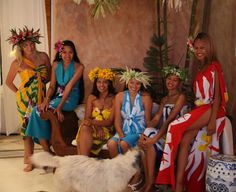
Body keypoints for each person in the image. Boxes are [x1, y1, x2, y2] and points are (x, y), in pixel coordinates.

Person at [156, 32, 228, 192]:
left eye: (202, 47)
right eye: (196, 48)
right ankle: (180, 184)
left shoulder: (214, 66)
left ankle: (166, 177)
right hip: (201, 109)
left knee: (174, 127)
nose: (199, 50)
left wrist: (211, 121)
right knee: (185, 140)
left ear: (209, 48)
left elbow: (217, 96)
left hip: (211, 109)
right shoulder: (200, 68)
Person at [25, 40, 84, 164]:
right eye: (64, 52)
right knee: (37, 110)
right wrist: (46, 100)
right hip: (57, 97)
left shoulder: (79, 67)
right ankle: (47, 149)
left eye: (70, 52)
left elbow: (68, 88)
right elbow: (52, 86)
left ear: (74, 53)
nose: (67, 55)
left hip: (70, 98)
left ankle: (47, 150)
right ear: (60, 53)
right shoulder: (56, 65)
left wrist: (59, 107)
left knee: (38, 110)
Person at [5, 26, 51, 172]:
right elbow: (8, 82)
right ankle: (29, 160)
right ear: (20, 47)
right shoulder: (17, 62)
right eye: (26, 45)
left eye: (32, 44)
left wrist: (40, 84)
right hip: (25, 101)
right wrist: (20, 93)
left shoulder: (43, 56)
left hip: (42, 97)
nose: (30, 47)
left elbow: (50, 77)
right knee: (27, 131)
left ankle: (47, 157)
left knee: (43, 126)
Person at [138, 65, 188, 192]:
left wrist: (154, 139)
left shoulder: (181, 97)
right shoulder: (165, 99)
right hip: (164, 133)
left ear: (179, 83)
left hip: (176, 135)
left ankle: (151, 183)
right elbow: (156, 119)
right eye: (169, 79)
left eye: (175, 80)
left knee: (149, 142)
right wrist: (143, 133)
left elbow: (170, 120)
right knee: (146, 137)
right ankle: (150, 181)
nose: (170, 82)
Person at [107, 67, 153, 158]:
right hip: (124, 130)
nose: (134, 86)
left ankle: (132, 171)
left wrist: (144, 137)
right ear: (127, 81)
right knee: (111, 144)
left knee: (124, 143)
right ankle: (117, 169)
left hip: (139, 132)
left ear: (142, 84)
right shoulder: (119, 96)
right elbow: (117, 120)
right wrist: (121, 135)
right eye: (131, 82)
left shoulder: (146, 98)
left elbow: (148, 121)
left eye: (138, 83)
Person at [76, 67, 116, 156]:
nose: (101, 85)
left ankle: (83, 162)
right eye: (99, 82)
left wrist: (96, 125)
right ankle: (84, 161)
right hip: (92, 127)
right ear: (95, 83)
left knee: (85, 126)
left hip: (106, 130)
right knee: (84, 126)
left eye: (105, 82)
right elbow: (87, 118)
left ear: (109, 83)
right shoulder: (91, 98)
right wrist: (97, 127)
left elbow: (110, 121)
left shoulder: (114, 99)